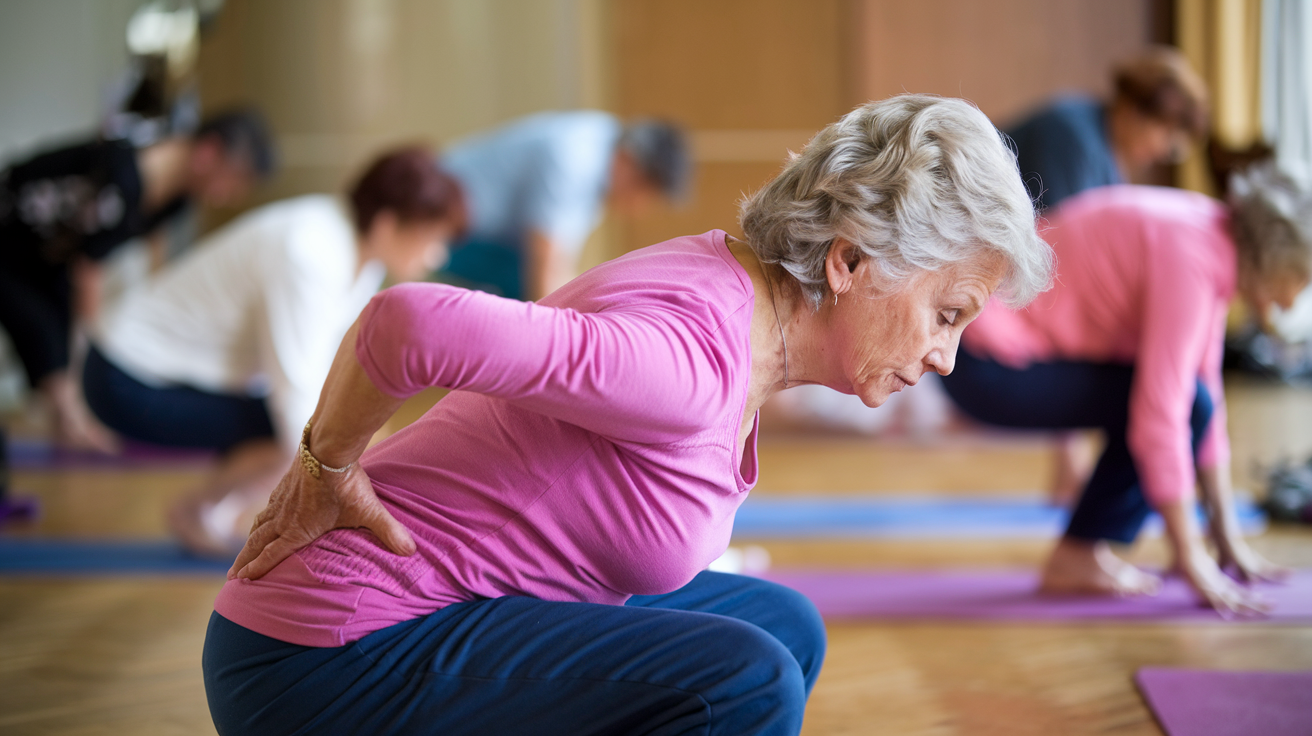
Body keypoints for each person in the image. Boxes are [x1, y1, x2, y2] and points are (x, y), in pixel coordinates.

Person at [200, 95, 1052, 736]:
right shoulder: (687, 364)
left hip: (425, 617)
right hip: (325, 658)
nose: (946, 357)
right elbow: (405, 324)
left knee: (781, 625)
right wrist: (325, 470)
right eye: (947, 314)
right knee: (747, 681)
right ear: (850, 260)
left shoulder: (737, 295)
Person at [940, 167, 1306, 615]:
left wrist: (1227, 541)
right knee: (1180, 406)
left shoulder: (1209, 235)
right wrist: (1190, 555)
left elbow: (1206, 393)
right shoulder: (1194, 255)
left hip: (981, 353)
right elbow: (1163, 417)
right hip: (983, 362)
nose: (1292, 302)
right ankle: (1077, 556)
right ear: (1276, 255)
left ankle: (1082, 551)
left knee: (1194, 401)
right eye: (1302, 279)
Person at [83, 147, 465, 555]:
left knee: (320, 433)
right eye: (433, 237)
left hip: (161, 371)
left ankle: (209, 509)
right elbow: (298, 399)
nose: (436, 254)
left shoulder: (358, 255)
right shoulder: (309, 250)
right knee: (301, 436)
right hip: (123, 374)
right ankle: (203, 511)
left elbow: (334, 371)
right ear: (389, 224)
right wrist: (356, 472)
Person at [0, 108, 275, 453]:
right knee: (42, 330)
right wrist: (94, 352)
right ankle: (75, 418)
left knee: (53, 333)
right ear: (209, 151)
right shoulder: (126, 176)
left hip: (48, 254)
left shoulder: (177, 196)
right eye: (232, 180)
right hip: (11, 243)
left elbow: (152, 248)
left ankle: (68, 424)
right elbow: (89, 273)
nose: (224, 195)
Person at [438, 110, 692, 301]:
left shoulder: (601, 150)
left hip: (480, 234)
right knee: (523, 289)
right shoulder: (575, 158)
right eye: (645, 193)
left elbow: (561, 263)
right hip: (443, 220)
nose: (640, 208)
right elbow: (545, 264)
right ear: (631, 163)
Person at [1007, 45, 1209, 211]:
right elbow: (1053, 234)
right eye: (1167, 136)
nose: (1164, 152)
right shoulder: (1072, 134)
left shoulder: (1109, 166)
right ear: (1136, 109)